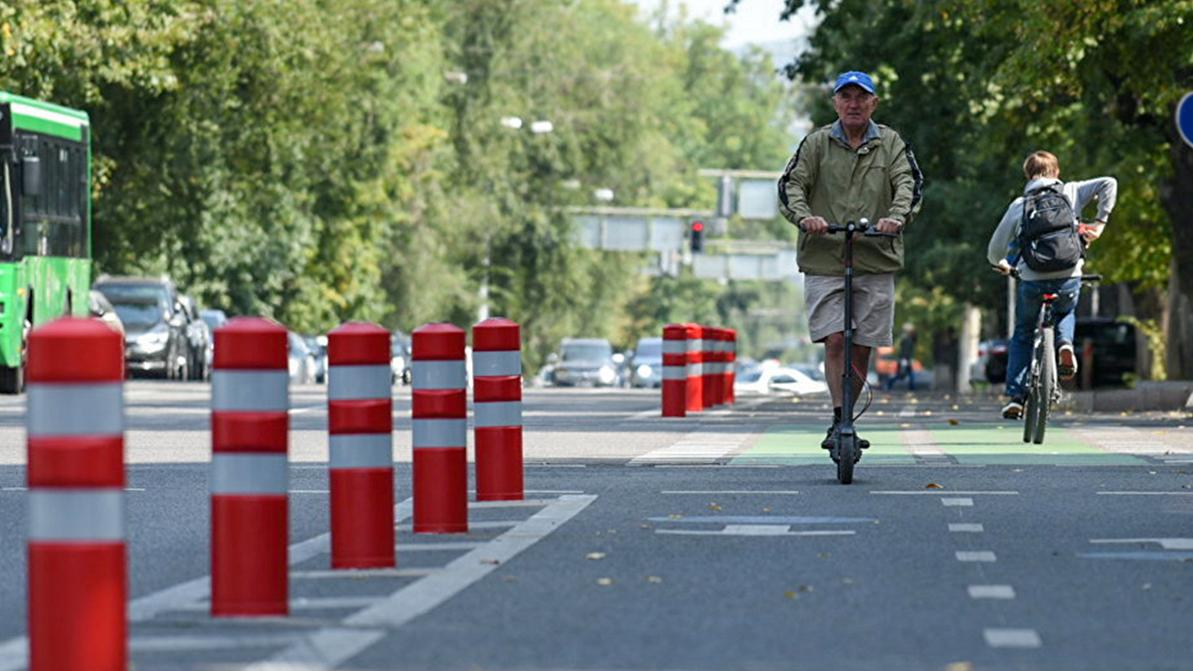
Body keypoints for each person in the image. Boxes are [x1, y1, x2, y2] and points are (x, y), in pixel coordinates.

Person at [778, 70, 924, 450]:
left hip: (876, 255)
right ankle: (840, 415)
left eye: (862, 97)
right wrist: (804, 216)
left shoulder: (890, 143)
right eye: (846, 97)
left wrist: (897, 218)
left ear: (874, 103)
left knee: (863, 343)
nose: (854, 104)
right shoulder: (815, 144)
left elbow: (908, 183)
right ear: (836, 103)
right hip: (825, 255)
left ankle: (846, 416)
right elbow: (791, 185)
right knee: (836, 339)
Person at [987, 150, 1116, 419]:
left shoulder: (1020, 205)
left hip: (1032, 277)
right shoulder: (1070, 191)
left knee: (1023, 332)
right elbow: (1109, 183)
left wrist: (1002, 263)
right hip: (1069, 274)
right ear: (1056, 172)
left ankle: (1016, 398)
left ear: (1028, 176)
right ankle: (1065, 344)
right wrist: (1100, 222)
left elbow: (995, 249)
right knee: (1066, 312)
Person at [885, 322, 917, 391]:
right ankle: (888, 384)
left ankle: (912, 388)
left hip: (906, 359)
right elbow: (905, 351)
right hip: (904, 359)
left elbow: (915, 338)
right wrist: (904, 359)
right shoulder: (905, 338)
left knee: (908, 374)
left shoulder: (910, 338)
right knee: (900, 375)